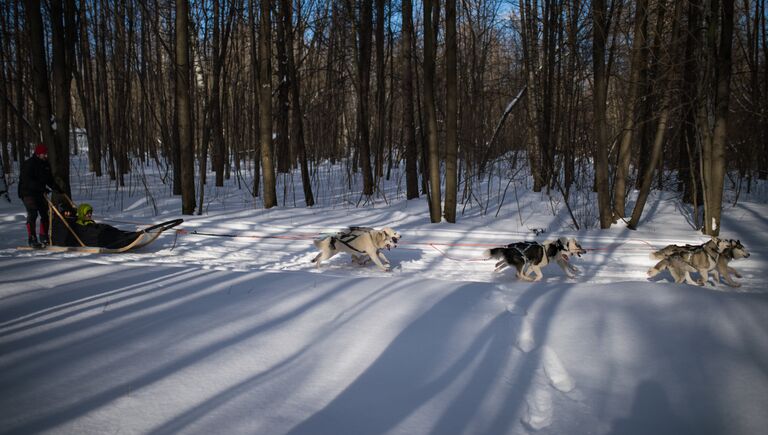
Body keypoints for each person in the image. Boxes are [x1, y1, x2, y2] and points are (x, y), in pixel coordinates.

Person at [18, 143, 62, 247]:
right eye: (44, 154)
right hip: (27, 192)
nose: (46, 156)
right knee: (33, 213)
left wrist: (56, 188)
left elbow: (49, 179)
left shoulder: (45, 164)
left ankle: (44, 236)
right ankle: (32, 238)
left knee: (45, 213)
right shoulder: (29, 164)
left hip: (39, 192)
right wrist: (41, 188)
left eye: (46, 154)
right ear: (38, 154)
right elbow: (27, 181)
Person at [74, 203, 141, 249]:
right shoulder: (79, 224)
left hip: (98, 237)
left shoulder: (89, 222)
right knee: (111, 236)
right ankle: (127, 240)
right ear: (82, 213)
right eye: (87, 213)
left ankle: (133, 235)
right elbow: (90, 232)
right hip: (96, 241)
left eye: (90, 213)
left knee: (116, 232)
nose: (89, 215)